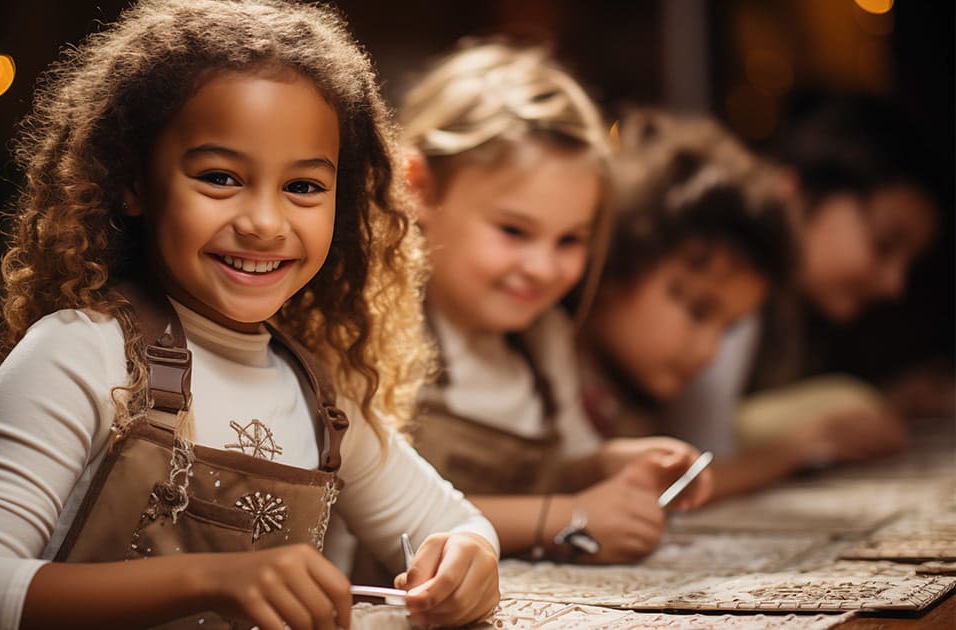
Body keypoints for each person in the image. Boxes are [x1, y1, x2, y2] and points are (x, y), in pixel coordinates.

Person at [0, 2, 500, 628]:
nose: (265, 223)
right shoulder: (78, 354)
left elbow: (456, 524)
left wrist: (469, 557)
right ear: (133, 183)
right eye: (219, 177)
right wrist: (207, 580)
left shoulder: (321, 397)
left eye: (302, 187)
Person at [393, 40, 712, 568]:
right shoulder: (377, 332)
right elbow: (380, 512)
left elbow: (567, 461)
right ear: (419, 189)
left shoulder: (543, 339)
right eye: (514, 231)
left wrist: (618, 463)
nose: (543, 269)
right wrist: (569, 516)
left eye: (570, 241)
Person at [662, 93, 944, 498]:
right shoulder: (727, 276)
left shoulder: (793, 316)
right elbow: (702, 449)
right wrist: (800, 446)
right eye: (884, 244)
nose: (893, 284)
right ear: (798, 192)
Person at [575, 110, 820, 501]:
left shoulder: (629, 392)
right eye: (696, 310)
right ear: (617, 261)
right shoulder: (543, 366)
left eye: (728, 328)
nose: (709, 352)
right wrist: (793, 452)